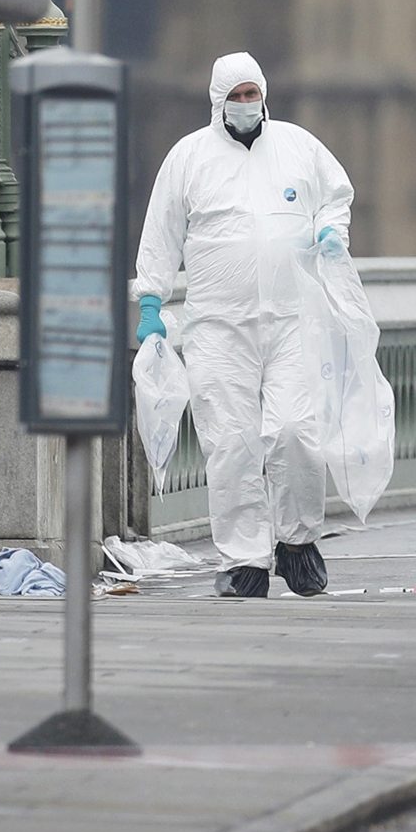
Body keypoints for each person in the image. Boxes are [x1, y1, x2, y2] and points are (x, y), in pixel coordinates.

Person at [135, 52, 356, 598]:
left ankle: (298, 542)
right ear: (217, 100)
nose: (245, 103)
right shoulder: (189, 158)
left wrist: (331, 232)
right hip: (217, 326)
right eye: (234, 95)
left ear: (265, 93)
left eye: (251, 92)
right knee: (231, 443)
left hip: (291, 320)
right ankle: (244, 559)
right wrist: (151, 304)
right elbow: (160, 236)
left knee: (294, 433)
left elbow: (336, 196)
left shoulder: (299, 146)